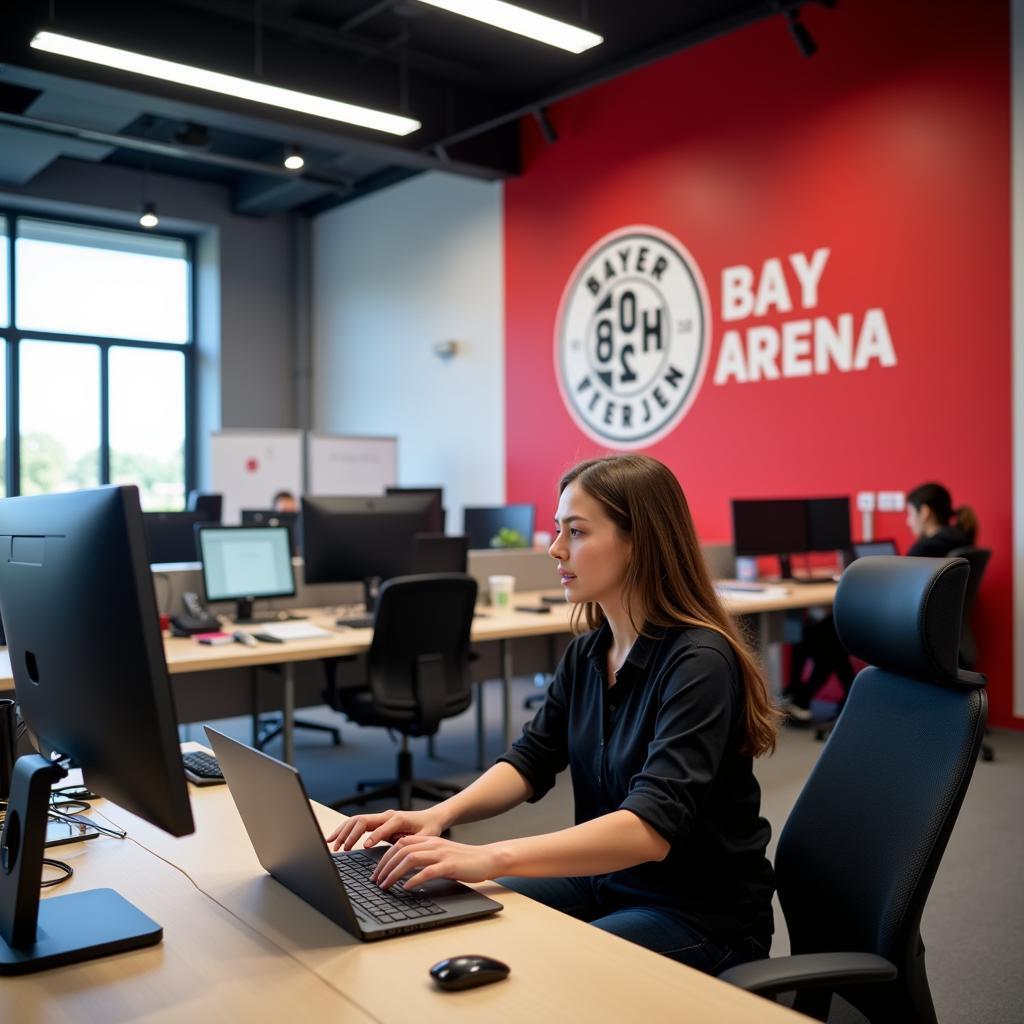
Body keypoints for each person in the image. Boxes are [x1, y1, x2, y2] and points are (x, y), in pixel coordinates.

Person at [326, 454, 778, 975]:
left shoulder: (698, 664)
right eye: (557, 530)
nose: (555, 549)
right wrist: (439, 815)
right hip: (607, 880)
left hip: (699, 915)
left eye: (577, 532)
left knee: (544, 974)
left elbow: (649, 831)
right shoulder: (590, 653)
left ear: (640, 542)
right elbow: (530, 760)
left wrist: (490, 856)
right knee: (449, 911)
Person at [905, 482, 978, 556]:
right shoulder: (962, 539)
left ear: (925, 512)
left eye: (910, 514)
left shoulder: (924, 549)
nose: (908, 522)